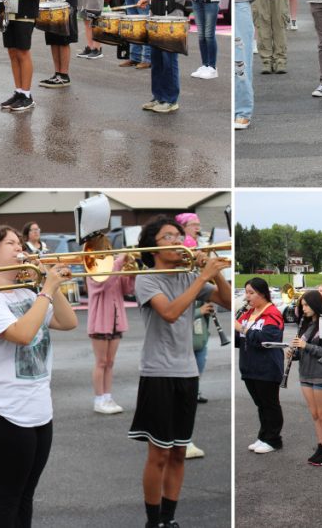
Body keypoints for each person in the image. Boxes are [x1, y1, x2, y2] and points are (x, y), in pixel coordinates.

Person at [0, 226, 77, 527]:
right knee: (7, 497)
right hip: (4, 414)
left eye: (19, 242)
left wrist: (50, 284)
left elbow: (69, 322)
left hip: (39, 411)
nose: (19, 247)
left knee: (25, 497)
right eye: (11, 243)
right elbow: (23, 334)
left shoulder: (28, 292)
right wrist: (47, 289)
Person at [129, 216, 230, 528]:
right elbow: (171, 313)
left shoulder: (188, 276)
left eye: (178, 235)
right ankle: (152, 520)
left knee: (178, 452)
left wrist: (216, 273)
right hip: (158, 373)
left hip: (187, 373)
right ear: (153, 247)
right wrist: (202, 278)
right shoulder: (146, 278)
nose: (177, 240)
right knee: (158, 455)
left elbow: (226, 301)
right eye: (167, 236)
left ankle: (169, 519)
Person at [136, 0, 208, 114]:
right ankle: (158, 96)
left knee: (169, 58)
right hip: (157, 12)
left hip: (172, 15)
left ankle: (170, 99)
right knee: (156, 58)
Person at [287, 290, 322, 466]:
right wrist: (293, 354)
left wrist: (305, 345)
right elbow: (303, 352)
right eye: (302, 305)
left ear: (315, 304)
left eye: (306, 305)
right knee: (315, 414)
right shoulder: (307, 325)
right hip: (305, 373)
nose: (303, 309)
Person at [85, 235, 133, 415]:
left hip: (115, 320)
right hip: (100, 321)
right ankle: (99, 399)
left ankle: (108, 396)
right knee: (101, 361)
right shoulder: (93, 270)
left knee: (110, 362)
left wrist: (130, 273)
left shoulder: (115, 268)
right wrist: (120, 262)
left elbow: (127, 290)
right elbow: (103, 284)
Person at [236, 276, 284, 455]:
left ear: (262, 294)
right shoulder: (248, 313)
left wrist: (242, 329)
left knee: (270, 404)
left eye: (251, 293)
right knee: (260, 404)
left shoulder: (272, 314)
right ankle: (263, 436)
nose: (247, 297)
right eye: (246, 293)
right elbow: (241, 340)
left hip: (267, 367)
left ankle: (274, 439)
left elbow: (267, 339)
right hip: (250, 367)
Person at [234, 0, 259, 130]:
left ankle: (244, 111)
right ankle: (235, 108)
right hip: (228, 7)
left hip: (240, 7)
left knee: (241, 62)